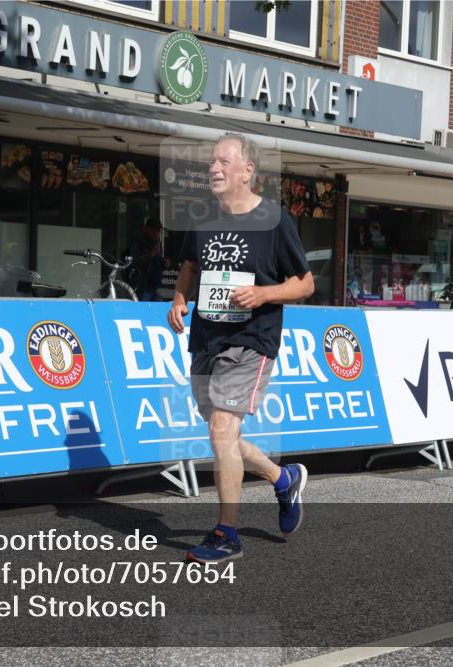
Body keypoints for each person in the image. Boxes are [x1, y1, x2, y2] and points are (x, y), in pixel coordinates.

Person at [167, 133, 315, 563]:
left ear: (248, 171)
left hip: (252, 339)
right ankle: (281, 477)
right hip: (206, 338)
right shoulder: (202, 217)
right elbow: (190, 266)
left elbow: (305, 283)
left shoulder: (274, 220)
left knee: (221, 432)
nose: (214, 168)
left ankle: (226, 533)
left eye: (224, 162)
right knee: (222, 436)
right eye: (211, 162)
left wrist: (264, 295)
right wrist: (179, 300)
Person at [128, 217, 169, 301]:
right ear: (147, 229)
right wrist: (151, 254)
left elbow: (157, 260)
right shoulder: (138, 242)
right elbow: (135, 262)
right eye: (154, 231)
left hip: (157, 285)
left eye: (158, 231)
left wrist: (164, 262)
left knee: (158, 308)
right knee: (144, 309)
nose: (157, 234)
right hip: (144, 286)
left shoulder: (157, 243)